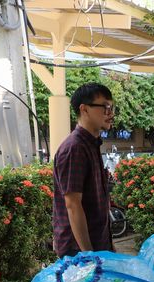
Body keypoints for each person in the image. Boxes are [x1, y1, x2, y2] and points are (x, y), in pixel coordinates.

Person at [52, 82, 116, 258]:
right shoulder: (75, 148)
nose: (110, 113)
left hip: (96, 244)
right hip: (79, 252)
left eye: (112, 108)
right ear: (84, 109)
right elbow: (73, 205)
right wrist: (89, 256)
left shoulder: (91, 144)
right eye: (105, 107)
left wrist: (109, 244)